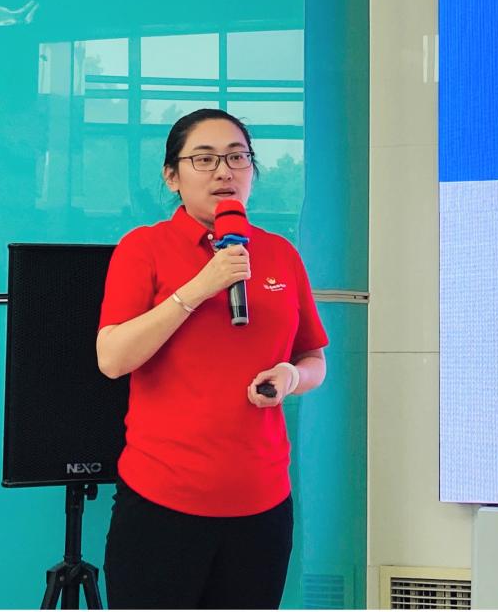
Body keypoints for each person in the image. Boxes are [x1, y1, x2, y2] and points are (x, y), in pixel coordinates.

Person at [96, 108, 328, 609]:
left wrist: (290, 377)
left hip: (262, 503)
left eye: (237, 157)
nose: (224, 171)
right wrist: (199, 288)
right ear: (172, 176)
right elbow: (112, 359)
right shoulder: (144, 248)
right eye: (204, 159)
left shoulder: (280, 253)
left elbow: (313, 357)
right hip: (162, 502)